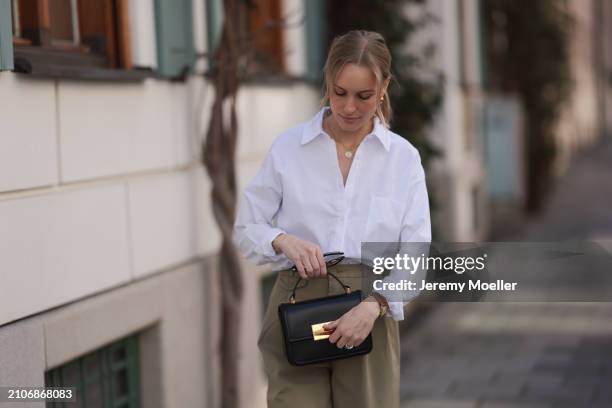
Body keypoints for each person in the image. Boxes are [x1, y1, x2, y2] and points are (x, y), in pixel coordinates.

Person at [234, 30, 431, 408]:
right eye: (340, 93)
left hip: (368, 307)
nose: (350, 108)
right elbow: (246, 227)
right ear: (327, 82)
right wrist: (282, 240)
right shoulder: (289, 148)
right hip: (297, 299)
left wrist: (375, 305)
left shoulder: (403, 159)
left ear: (384, 88)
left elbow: (416, 255)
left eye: (364, 96)